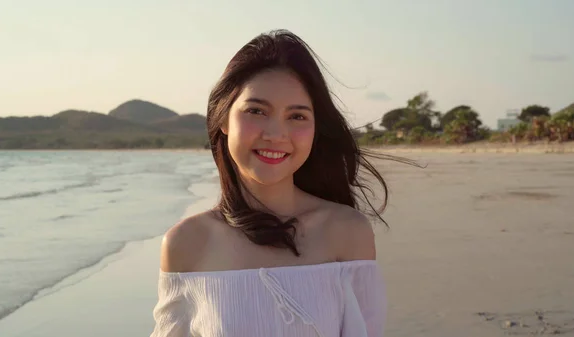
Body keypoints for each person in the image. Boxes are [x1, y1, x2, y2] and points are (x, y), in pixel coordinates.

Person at [150, 29, 400, 337]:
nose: (276, 134)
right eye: (256, 111)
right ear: (224, 119)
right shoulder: (186, 243)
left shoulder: (346, 231)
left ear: (314, 129)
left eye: (296, 117)